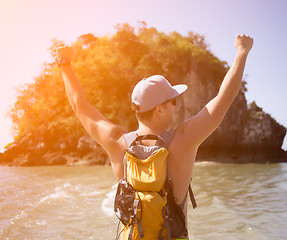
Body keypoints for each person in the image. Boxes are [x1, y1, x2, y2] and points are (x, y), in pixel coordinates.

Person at [57, 33, 253, 236]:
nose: (176, 107)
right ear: (159, 109)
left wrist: (65, 64)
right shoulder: (183, 141)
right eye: (173, 102)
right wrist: (242, 51)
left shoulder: (116, 141)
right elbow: (226, 96)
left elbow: (79, 106)